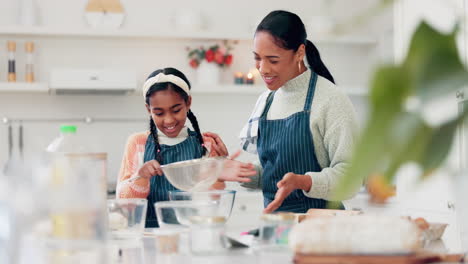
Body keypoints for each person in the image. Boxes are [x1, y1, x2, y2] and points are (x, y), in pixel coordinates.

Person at [219, 10, 360, 214]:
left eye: (273, 60)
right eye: (257, 58)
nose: (263, 69)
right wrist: (233, 170)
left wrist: (303, 181)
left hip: (320, 228)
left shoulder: (330, 100)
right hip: (276, 227)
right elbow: (270, 174)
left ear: (300, 53)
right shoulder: (266, 100)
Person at [117, 67, 254, 227]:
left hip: (192, 233)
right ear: (149, 109)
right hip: (148, 235)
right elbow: (124, 204)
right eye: (159, 113)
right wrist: (141, 177)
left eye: (176, 110)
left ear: (188, 102)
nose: (168, 120)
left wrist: (216, 173)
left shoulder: (206, 144)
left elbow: (212, 202)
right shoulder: (137, 143)